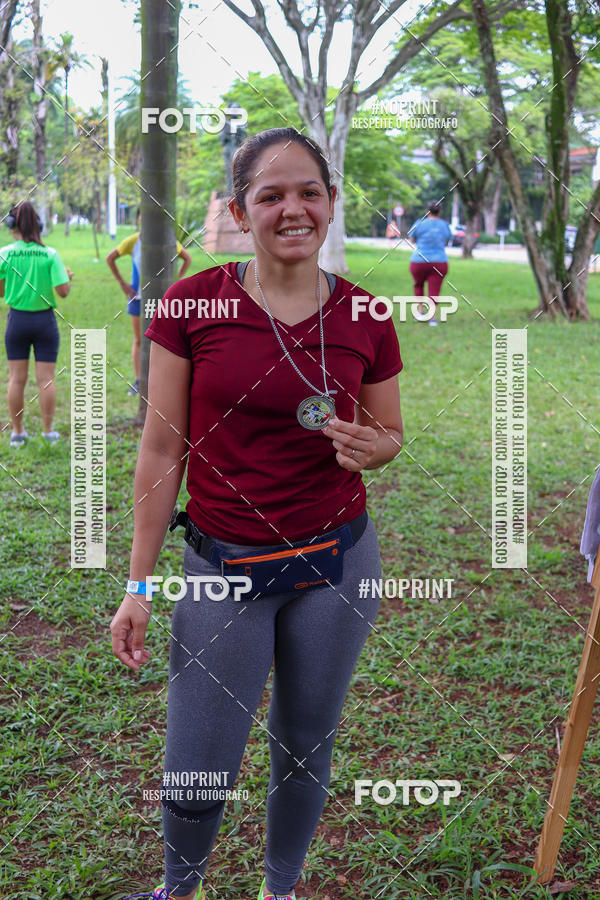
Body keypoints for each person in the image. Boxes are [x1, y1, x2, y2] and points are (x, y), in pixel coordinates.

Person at [111, 127, 404, 900]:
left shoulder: (368, 312)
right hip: (222, 567)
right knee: (200, 758)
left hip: (336, 564)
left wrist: (377, 450)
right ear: (241, 210)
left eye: (309, 191)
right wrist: (138, 587)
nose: (292, 208)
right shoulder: (191, 302)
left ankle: (281, 890)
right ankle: (180, 888)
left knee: (305, 744)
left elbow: (391, 433)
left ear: (332, 203)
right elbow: (159, 453)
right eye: (269, 194)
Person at [1, 201, 72, 446]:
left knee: (16, 379)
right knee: (46, 380)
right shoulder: (50, 254)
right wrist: (67, 277)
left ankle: (18, 433)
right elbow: (63, 292)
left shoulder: (5, 253)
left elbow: (0, 291)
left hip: (17, 321)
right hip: (45, 322)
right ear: (39, 226)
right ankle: (48, 431)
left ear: (12, 227)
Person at [106, 208, 191, 395]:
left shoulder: (167, 241)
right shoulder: (133, 241)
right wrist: (123, 284)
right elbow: (110, 258)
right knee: (139, 340)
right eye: (141, 216)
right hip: (137, 299)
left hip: (162, 300)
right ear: (138, 219)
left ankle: (163, 381)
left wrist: (175, 280)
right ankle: (138, 381)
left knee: (164, 341)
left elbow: (187, 258)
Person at [407, 201, 452, 327]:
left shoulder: (419, 223)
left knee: (418, 285)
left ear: (427, 211)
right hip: (439, 262)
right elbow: (447, 240)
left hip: (418, 261)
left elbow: (411, 239)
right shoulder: (444, 225)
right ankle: (432, 317)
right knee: (434, 290)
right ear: (440, 211)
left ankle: (420, 313)